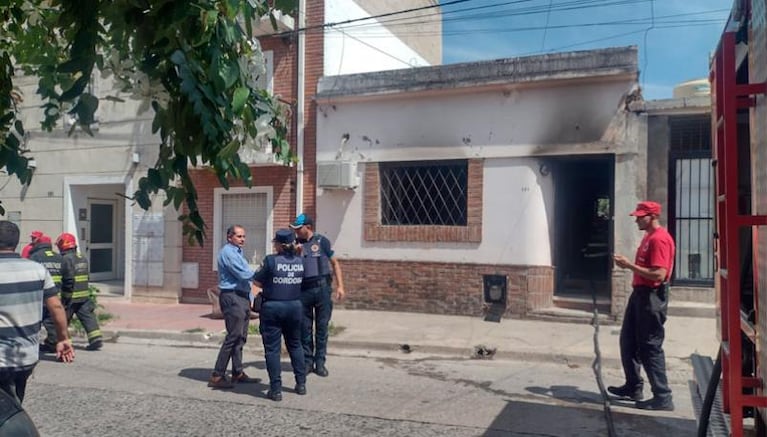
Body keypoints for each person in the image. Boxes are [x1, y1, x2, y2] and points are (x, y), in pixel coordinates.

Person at [608, 201, 676, 411]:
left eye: (640, 216)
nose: (636, 219)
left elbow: (659, 274)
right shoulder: (648, 237)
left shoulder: (659, 239)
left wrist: (629, 266)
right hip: (639, 295)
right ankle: (633, 386)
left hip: (651, 297)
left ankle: (663, 396)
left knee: (650, 346)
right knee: (628, 341)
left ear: (652, 216)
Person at [0, 221, 75, 406]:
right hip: (26, 358)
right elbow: (56, 307)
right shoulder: (37, 270)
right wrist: (63, 339)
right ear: (16, 242)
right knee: (15, 404)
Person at [252, 229, 307, 401]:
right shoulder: (301, 261)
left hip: (273, 308)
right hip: (295, 307)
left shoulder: (270, 261)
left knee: (272, 350)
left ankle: (276, 390)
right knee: (296, 345)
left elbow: (256, 281)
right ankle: (301, 384)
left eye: (275, 242)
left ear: (279, 245)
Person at [290, 213, 345, 377]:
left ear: (308, 227)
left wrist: (340, 286)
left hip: (322, 289)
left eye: (299, 229)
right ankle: (307, 362)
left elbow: (335, 263)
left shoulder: (322, 241)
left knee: (322, 328)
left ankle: (320, 362)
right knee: (304, 329)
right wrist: (295, 253)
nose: (297, 232)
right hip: (303, 290)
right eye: (295, 229)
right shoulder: (294, 244)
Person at [209, 225, 260, 389]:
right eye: (239, 236)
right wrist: (264, 275)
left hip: (242, 297)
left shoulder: (238, 252)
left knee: (241, 337)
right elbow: (244, 274)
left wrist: (250, 297)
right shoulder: (228, 253)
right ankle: (217, 375)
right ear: (229, 237)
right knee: (233, 336)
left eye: (244, 236)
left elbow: (246, 279)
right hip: (232, 297)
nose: (242, 239)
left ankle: (237, 372)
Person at [56, 232, 103, 351]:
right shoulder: (82, 257)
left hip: (71, 297)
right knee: (88, 317)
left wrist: (65, 298)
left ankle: (67, 342)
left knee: (63, 319)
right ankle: (96, 339)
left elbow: (68, 279)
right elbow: (86, 277)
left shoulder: (66, 259)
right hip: (84, 295)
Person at [28, 234, 63, 352]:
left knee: (36, 321)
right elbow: (68, 276)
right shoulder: (59, 257)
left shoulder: (35, 256)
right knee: (51, 320)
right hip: (55, 294)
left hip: (40, 295)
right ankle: (54, 342)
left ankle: (36, 344)